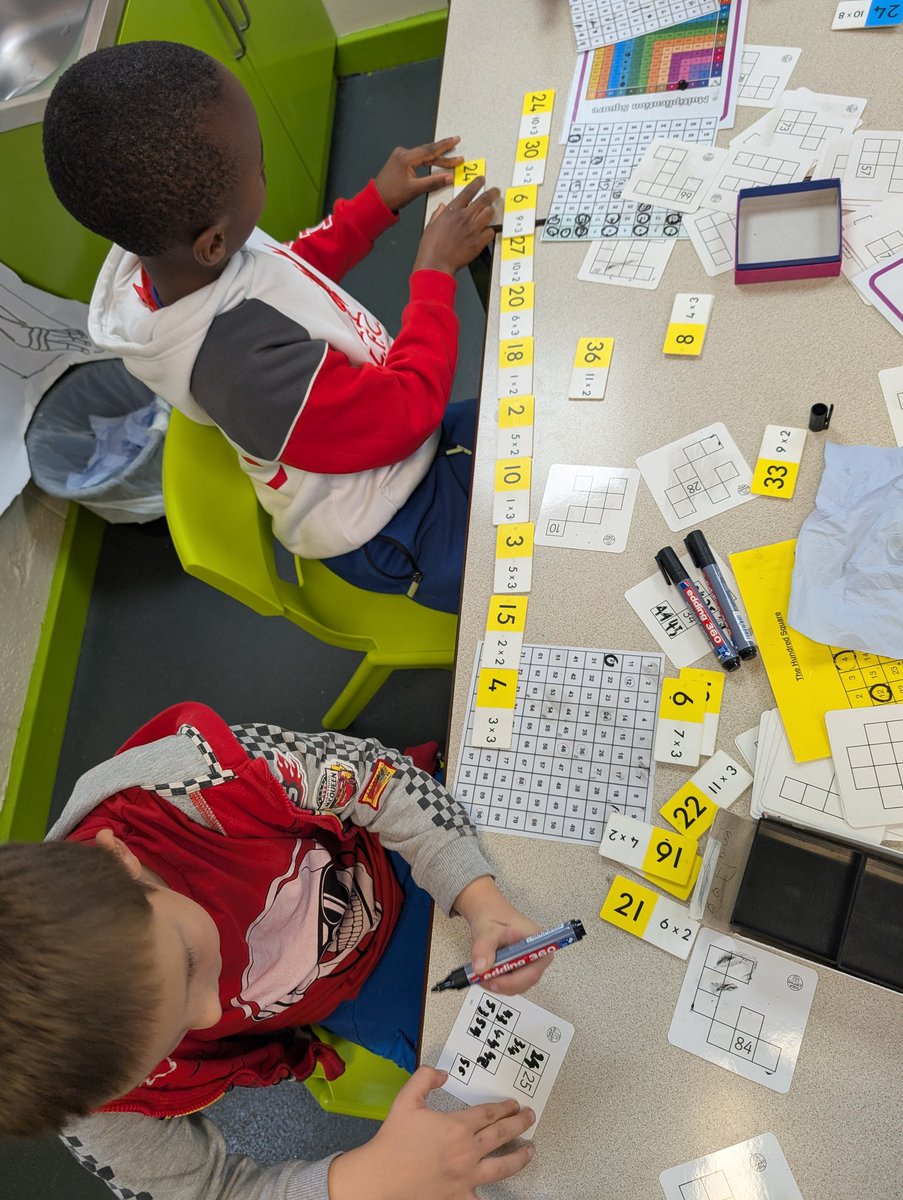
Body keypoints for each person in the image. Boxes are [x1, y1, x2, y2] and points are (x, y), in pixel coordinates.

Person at [0, 702, 552, 1198]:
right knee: (522, 1118)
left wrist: (476, 892)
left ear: (119, 860)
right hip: (353, 991)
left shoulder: (196, 780)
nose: (213, 1015)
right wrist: (361, 1181)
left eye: (188, 966)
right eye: (176, 1035)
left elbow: (374, 778)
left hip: (393, 851)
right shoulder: (84, 1093)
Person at [42, 40, 499, 613]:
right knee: (534, 570)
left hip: (400, 429)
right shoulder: (244, 372)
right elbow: (407, 412)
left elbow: (285, 268)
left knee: (537, 433)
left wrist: (375, 203)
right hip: (392, 514)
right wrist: (433, 273)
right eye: (258, 165)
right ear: (213, 241)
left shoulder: (186, 256)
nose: (265, 166)